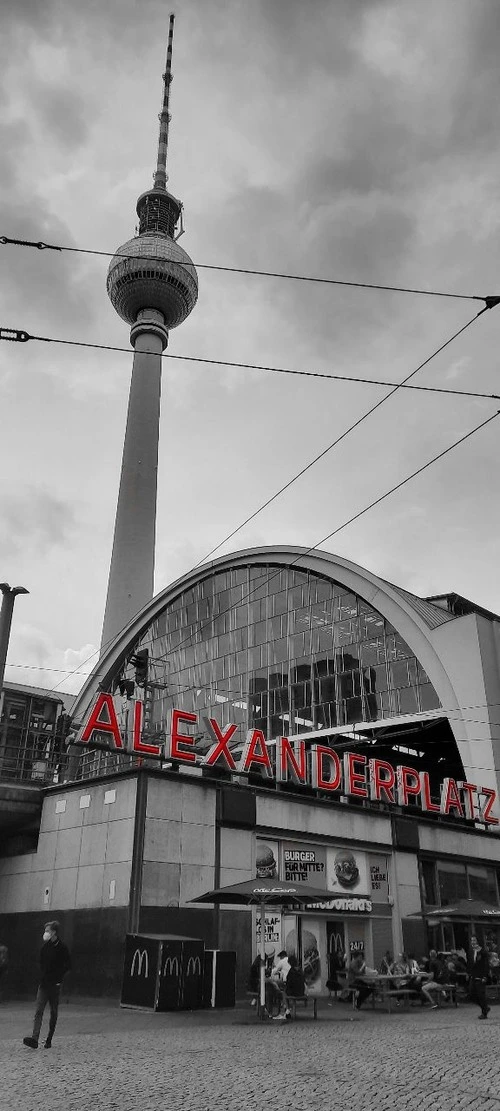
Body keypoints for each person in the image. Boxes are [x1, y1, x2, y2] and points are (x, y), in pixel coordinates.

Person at [23, 921, 71, 1049]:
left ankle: (49, 1038)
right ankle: (35, 1038)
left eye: (48, 931)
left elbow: (68, 965)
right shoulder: (45, 948)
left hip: (55, 985)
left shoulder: (62, 948)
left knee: (53, 1012)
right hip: (44, 984)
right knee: (38, 1011)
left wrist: (59, 978)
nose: (46, 933)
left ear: (54, 932)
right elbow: (41, 963)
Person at [273, 955, 305, 1021]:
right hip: (301, 991)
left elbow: (289, 983)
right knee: (285, 991)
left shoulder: (292, 971)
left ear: (290, 963)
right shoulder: (300, 970)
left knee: (283, 993)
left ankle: (287, 1010)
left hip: (294, 992)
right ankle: (286, 1009)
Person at [468, 935, 491, 1020]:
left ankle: (484, 1013)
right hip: (473, 976)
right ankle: (485, 1007)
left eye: (474, 940)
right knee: (471, 994)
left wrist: (485, 976)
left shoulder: (483, 952)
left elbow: (486, 965)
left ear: (477, 941)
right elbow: (470, 964)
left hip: (481, 977)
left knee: (481, 995)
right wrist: (468, 973)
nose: (473, 942)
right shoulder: (470, 951)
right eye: (472, 940)